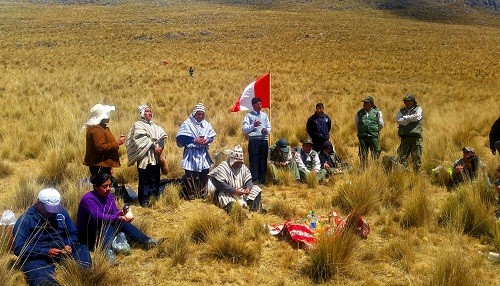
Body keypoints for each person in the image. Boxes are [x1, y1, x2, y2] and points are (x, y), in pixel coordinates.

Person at [12, 188, 91, 286]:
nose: (52, 212)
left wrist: (68, 244)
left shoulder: (61, 213)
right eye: (49, 209)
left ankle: (83, 275)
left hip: (63, 251)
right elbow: (18, 248)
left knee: (82, 250)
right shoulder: (25, 220)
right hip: (38, 257)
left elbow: (73, 233)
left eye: (55, 209)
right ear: (38, 203)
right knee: (43, 280)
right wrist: (46, 252)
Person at [77, 173, 161, 261]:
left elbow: (114, 212)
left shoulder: (108, 195)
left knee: (120, 222)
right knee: (108, 223)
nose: (108, 189)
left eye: (109, 185)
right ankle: (107, 251)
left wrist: (120, 213)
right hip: (89, 234)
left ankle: (147, 240)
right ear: (96, 187)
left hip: (103, 228)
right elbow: (97, 216)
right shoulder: (88, 199)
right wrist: (117, 218)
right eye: (104, 186)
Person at [126, 105, 168, 207]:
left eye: (150, 111)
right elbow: (140, 140)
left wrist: (160, 148)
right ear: (142, 114)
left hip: (156, 157)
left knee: (155, 177)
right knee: (144, 178)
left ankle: (154, 197)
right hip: (145, 157)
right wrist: (154, 147)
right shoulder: (138, 125)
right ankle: (143, 200)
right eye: (147, 111)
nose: (150, 113)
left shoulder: (156, 126)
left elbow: (162, 136)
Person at [176, 103, 216, 199]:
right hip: (191, 152)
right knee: (190, 175)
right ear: (194, 113)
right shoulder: (187, 124)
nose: (200, 116)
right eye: (199, 114)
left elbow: (211, 136)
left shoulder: (206, 124)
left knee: (204, 173)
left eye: (202, 114)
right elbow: (181, 138)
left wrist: (207, 140)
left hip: (202, 152)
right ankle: (191, 194)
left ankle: (203, 193)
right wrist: (194, 140)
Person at [208, 146, 263, 213]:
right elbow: (220, 184)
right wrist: (234, 190)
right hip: (227, 192)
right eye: (237, 162)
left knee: (256, 189)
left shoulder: (243, 167)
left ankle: (256, 210)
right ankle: (239, 215)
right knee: (230, 204)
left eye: (241, 162)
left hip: (241, 191)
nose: (239, 164)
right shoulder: (223, 166)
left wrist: (248, 188)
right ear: (233, 160)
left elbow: (248, 180)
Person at [82, 103, 126, 177]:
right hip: (100, 166)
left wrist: (110, 166)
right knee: (102, 187)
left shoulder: (99, 128)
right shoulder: (97, 129)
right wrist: (117, 142)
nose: (109, 117)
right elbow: (100, 147)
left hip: (102, 165)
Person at [242, 97, 271, 184]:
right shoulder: (248, 116)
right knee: (254, 160)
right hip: (254, 141)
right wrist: (253, 125)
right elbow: (244, 129)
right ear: (253, 105)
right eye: (258, 104)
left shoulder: (264, 115)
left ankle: (262, 180)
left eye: (260, 104)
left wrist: (267, 130)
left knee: (263, 160)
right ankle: (254, 180)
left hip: (264, 140)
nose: (260, 106)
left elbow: (269, 126)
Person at [355, 96, 384, 168]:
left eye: (366, 103)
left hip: (373, 137)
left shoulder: (377, 112)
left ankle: (375, 168)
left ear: (371, 104)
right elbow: (356, 124)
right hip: (362, 137)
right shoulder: (359, 113)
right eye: (364, 102)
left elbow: (381, 124)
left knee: (375, 153)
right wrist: (362, 130)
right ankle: (363, 168)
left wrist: (374, 130)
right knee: (363, 154)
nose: (364, 104)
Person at [396, 94, 423, 172]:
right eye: (405, 101)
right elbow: (399, 121)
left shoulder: (418, 109)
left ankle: (416, 175)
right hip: (405, 137)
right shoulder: (401, 111)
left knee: (416, 157)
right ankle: (401, 175)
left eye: (408, 101)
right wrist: (411, 118)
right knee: (402, 157)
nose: (406, 103)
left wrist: (405, 118)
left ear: (413, 102)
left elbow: (417, 117)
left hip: (416, 138)